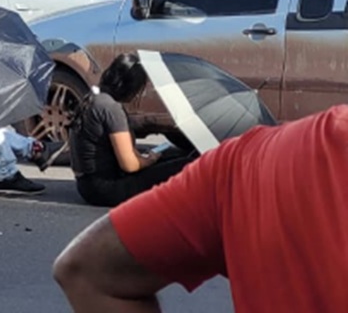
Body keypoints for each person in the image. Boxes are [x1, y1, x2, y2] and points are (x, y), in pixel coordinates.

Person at [53, 104, 348, 312]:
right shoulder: (113, 112)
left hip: (92, 186)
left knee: (179, 161)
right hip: (109, 188)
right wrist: (151, 159)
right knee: (178, 162)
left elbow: (85, 270)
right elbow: (131, 164)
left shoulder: (244, 162)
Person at [69, 53, 191, 207]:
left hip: (87, 185)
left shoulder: (93, 98)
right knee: (186, 164)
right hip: (106, 189)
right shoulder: (111, 108)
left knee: (171, 154)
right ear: (130, 87)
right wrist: (150, 160)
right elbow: (129, 165)